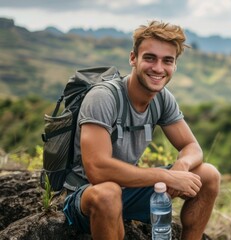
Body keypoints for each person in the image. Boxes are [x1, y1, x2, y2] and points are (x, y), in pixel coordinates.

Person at [62, 20, 221, 240]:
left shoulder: (162, 99)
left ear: (174, 66)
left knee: (209, 175)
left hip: (129, 191)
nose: (158, 68)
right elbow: (97, 170)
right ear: (133, 58)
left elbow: (191, 147)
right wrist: (166, 176)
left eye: (167, 60)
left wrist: (181, 167)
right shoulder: (103, 97)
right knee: (109, 193)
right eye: (149, 58)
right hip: (88, 196)